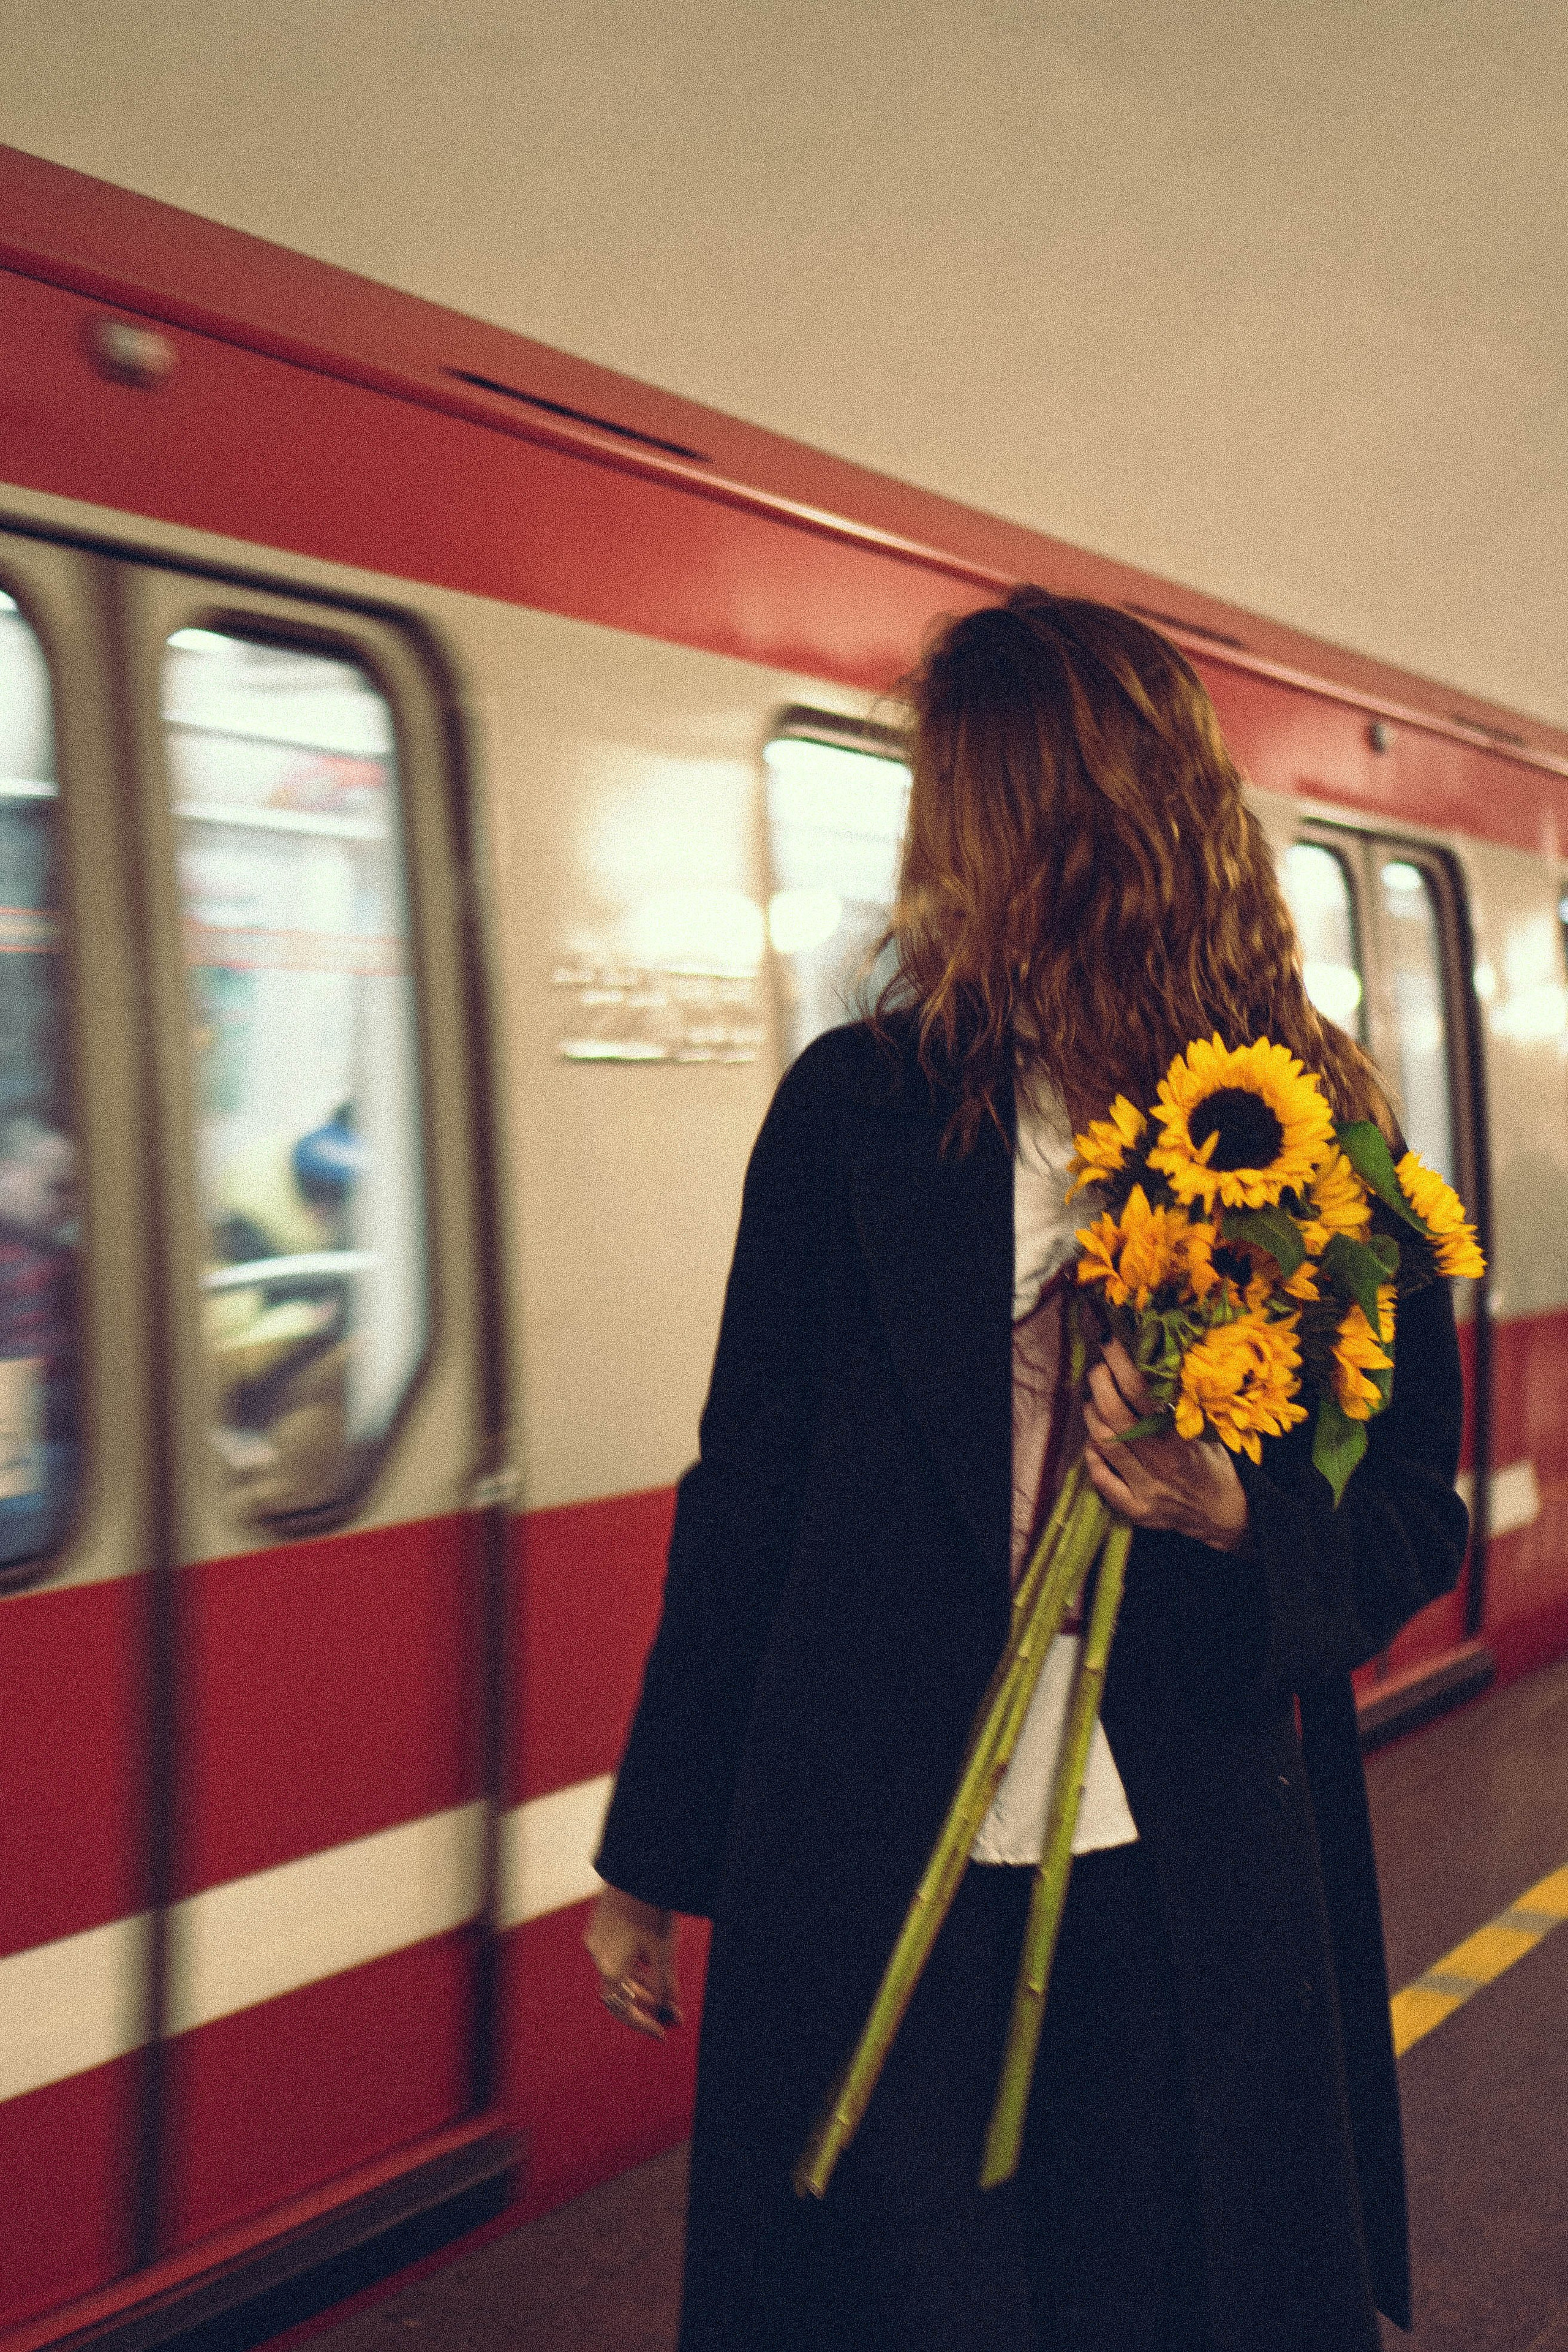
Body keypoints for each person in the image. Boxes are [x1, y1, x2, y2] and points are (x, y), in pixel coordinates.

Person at [586, 590, 1469, 2351]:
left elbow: (1409, 1515)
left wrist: (1238, 1517)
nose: (937, 859)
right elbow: (743, 1492)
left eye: (961, 811)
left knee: (1151, 2287)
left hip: (1179, 1873)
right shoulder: (860, 1115)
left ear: (1073, 831)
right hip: (865, 1850)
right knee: (905, 2296)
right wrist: (657, 1847)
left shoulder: (1306, 1140)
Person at [0, 1110, 78, 1567]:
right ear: (9, 1174)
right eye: (56, 1188)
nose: (66, 1205)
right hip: (21, 1428)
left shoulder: (52, 1254)